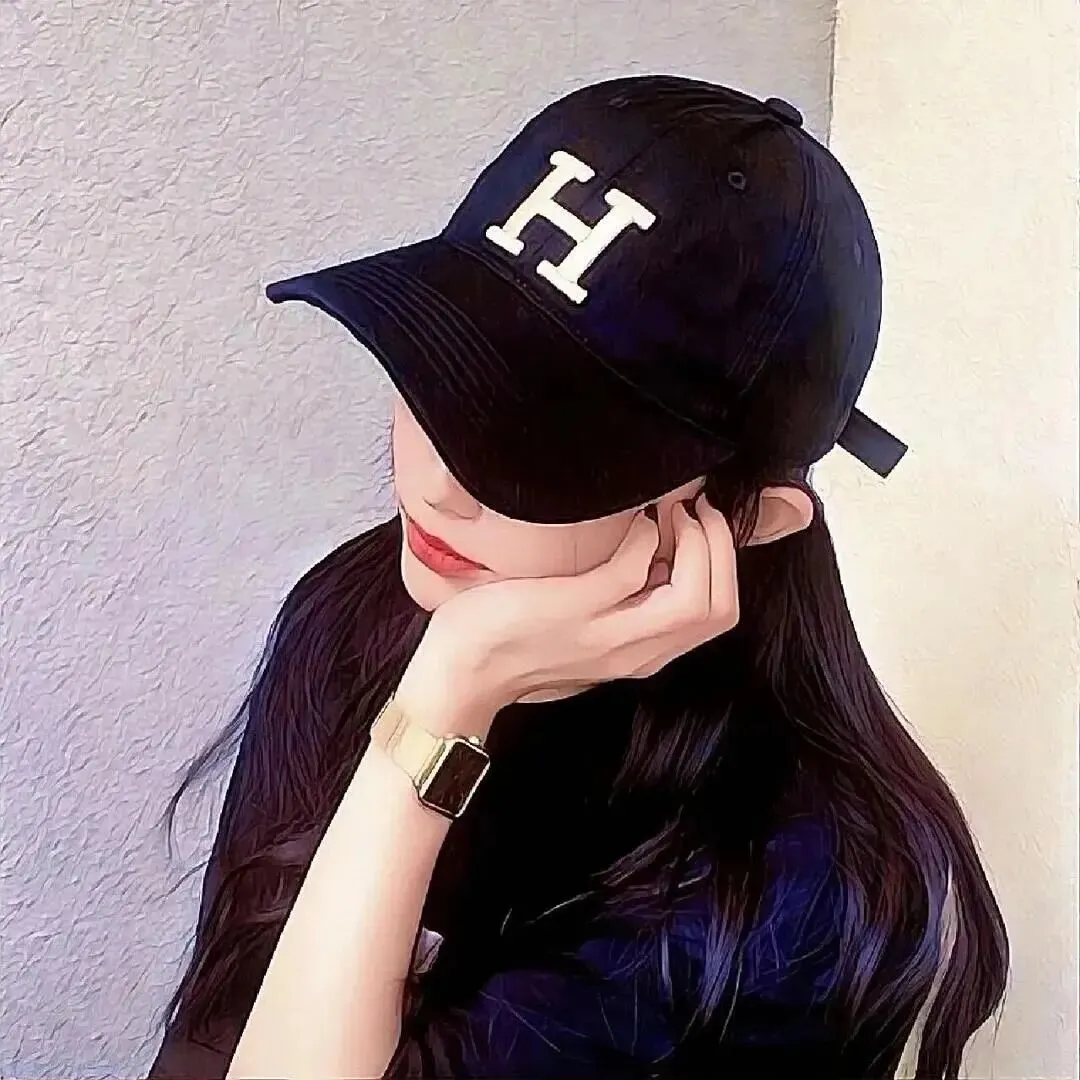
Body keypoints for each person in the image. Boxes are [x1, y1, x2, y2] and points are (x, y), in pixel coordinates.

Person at [149, 75, 1008, 1079]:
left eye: (540, 451)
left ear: (747, 521)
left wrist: (440, 712)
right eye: (436, 372)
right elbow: (219, 1037)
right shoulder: (357, 613)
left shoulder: (798, 875)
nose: (437, 484)